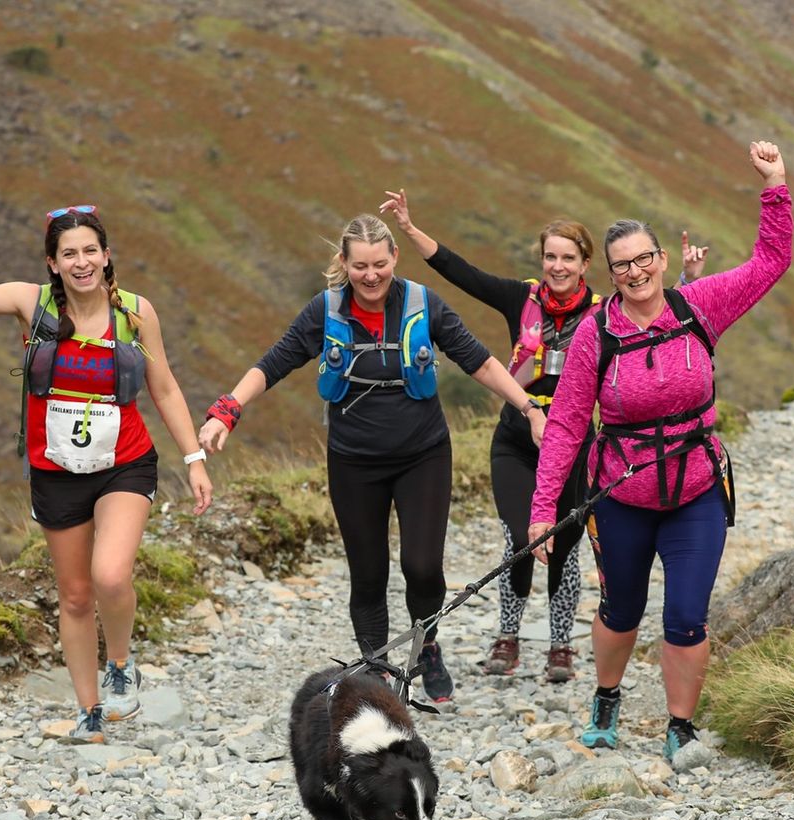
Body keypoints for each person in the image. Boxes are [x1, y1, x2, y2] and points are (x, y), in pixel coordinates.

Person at [197, 213, 545, 704]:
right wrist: (225, 412)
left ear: (393, 258)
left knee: (423, 566)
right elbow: (275, 361)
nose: (371, 275)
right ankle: (377, 666)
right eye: (360, 266)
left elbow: (480, 362)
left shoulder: (425, 304)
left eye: (379, 264)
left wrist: (529, 408)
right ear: (344, 263)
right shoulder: (326, 310)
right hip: (353, 460)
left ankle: (426, 646)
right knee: (368, 572)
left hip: (423, 454)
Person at [377, 191, 711, 683]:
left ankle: (560, 646)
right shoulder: (522, 298)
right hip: (516, 434)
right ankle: (507, 638)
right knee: (520, 537)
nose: (557, 266)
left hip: (578, 443)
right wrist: (408, 228)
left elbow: (662, 316)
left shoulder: (606, 312)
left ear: (585, 264)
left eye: (567, 258)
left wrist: (687, 278)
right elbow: (460, 272)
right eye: (550, 256)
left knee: (568, 541)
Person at [529, 141, 792, 761]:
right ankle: (607, 696)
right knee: (621, 608)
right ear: (610, 274)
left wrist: (774, 184)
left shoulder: (699, 306)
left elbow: (771, 261)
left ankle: (680, 727)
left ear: (661, 258)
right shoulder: (597, 334)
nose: (635, 272)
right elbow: (566, 425)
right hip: (620, 493)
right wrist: (543, 512)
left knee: (686, 614)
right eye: (621, 266)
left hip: (696, 487)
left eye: (643, 259)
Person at [0, 200, 213, 743]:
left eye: (90, 251)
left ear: (106, 257)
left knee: (110, 575)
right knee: (77, 595)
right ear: (52, 263)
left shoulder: (134, 312)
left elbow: (166, 387)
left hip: (125, 462)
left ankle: (122, 664)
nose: (81, 262)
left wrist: (194, 458)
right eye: (69, 254)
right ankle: (90, 714)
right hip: (56, 470)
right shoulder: (30, 304)